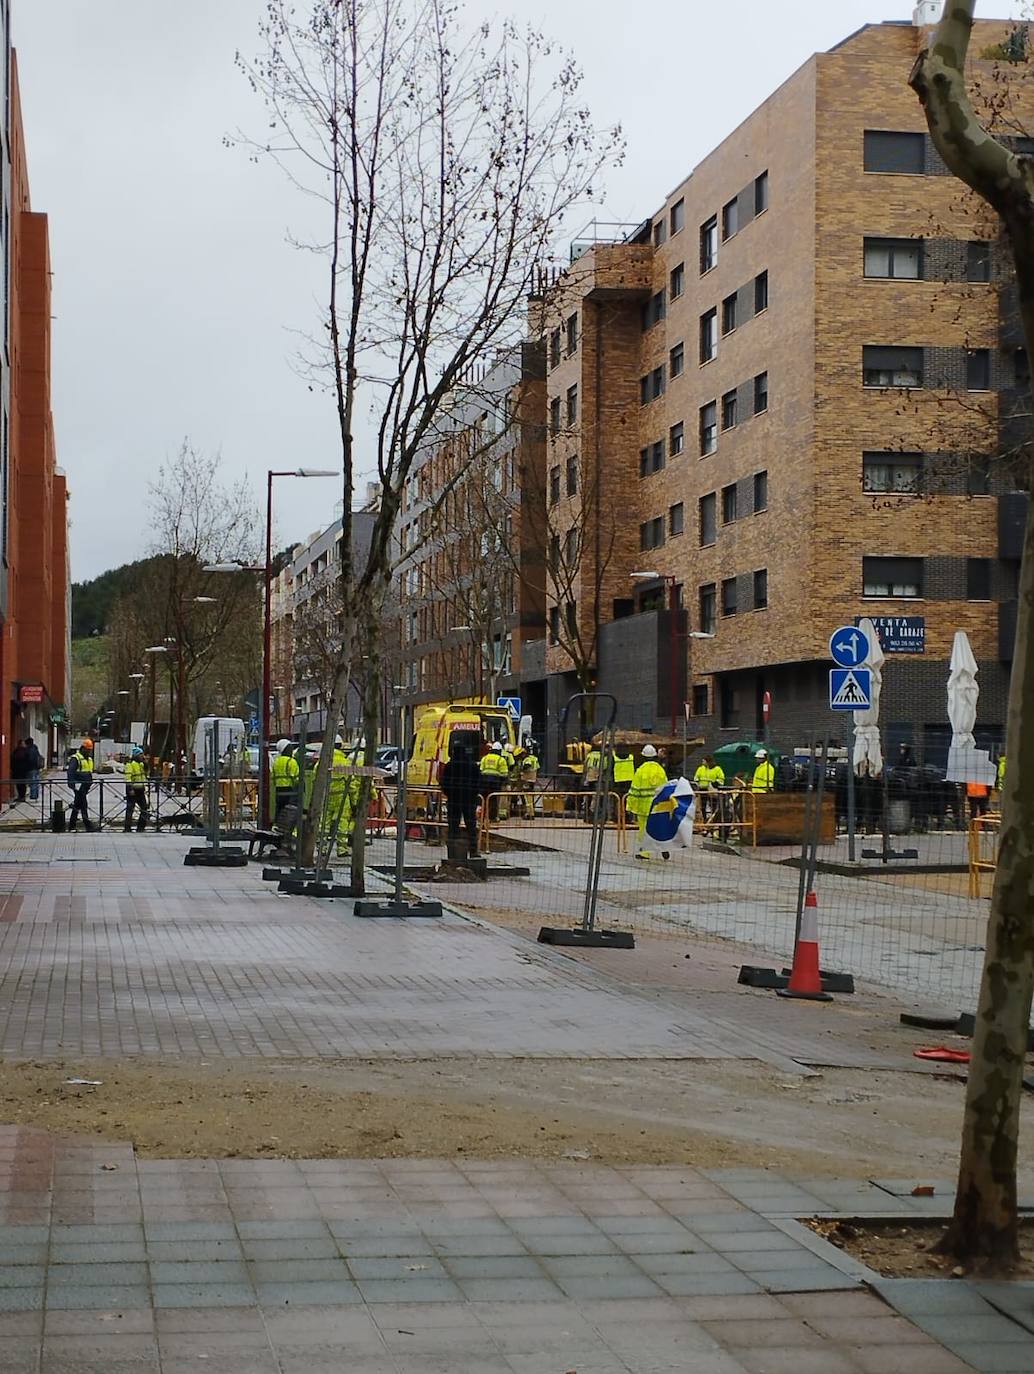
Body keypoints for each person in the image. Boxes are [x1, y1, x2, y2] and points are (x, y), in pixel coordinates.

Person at [440, 737, 481, 857]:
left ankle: (453, 852)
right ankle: (473, 851)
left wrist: (450, 793)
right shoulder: (472, 765)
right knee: (471, 826)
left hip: (454, 800)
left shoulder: (450, 765)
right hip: (468, 800)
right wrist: (473, 795)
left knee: (453, 825)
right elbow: (478, 781)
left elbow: (444, 782)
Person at [628, 744, 668, 860]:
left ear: (644, 756)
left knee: (644, 829)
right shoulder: (660, 770)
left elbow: (634, 790)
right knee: (659, 827)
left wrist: (630, 806)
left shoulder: (640, 771)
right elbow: (665, 787)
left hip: (643, 807)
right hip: (658, 805)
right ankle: (664, 847)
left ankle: (645, 852)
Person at [67, 738, 96, 832]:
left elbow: (89, 772)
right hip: (79, 786)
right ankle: (88, 826)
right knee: (83, 805)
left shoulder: (89, 759)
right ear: (83, 748)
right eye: (88, 750)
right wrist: (72, 784)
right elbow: (71, 772)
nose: (89, 752)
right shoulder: (76, 758)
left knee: (77, 805)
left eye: (90, 750)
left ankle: (72, 826)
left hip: (85, 786)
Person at [270, 738, 300, 822]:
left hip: (279, 791)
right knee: (290, 812)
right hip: (290, 791)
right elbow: (297, 779)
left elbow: (273, 777)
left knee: (279, 810)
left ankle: (276, 826)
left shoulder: (276, 761)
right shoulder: (291, 761)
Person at [478, 739, 508, 822]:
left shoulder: (485, 758)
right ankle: (492, 817)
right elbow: (504, 774)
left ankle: (481, 816)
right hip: (495, 783)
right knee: (493, 800)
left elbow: (480, 770)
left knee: (482, 799)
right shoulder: (501, 760)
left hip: (484, 782)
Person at [123, 747, 150, 832]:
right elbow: (127, 778)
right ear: (136, 755)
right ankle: (127, 828)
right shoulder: (130, 764)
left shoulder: (141, 764)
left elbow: (146, 773)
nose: (142, 756)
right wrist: (130, 789)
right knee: (130, 809)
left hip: (141, 789)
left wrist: (146, 764)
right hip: (133, 789)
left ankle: (141, 827)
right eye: (140, 754)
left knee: (144, 808)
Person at [693, 754, 725, 820]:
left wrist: (714, 782)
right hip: (703, 789)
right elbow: (696, 777)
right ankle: (705, 819)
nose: (702, 762)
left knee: (713, 805)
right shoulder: (701, 768)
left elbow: (721, 778)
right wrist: (697, 780)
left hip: (712, 789)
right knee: (703, 806)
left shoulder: (717, 769)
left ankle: (713, 819)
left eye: (703, 761)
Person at [9, 738, 30, 803]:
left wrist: (12, 769)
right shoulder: (26, 751)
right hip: (23, 771)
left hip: (17, 771)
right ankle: (22, 797)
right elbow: (28, 761)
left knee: (19, 784)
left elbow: (12, 761)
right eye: (23, 743)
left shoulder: (15, 751)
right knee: (23, 784)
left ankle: (20, 796)